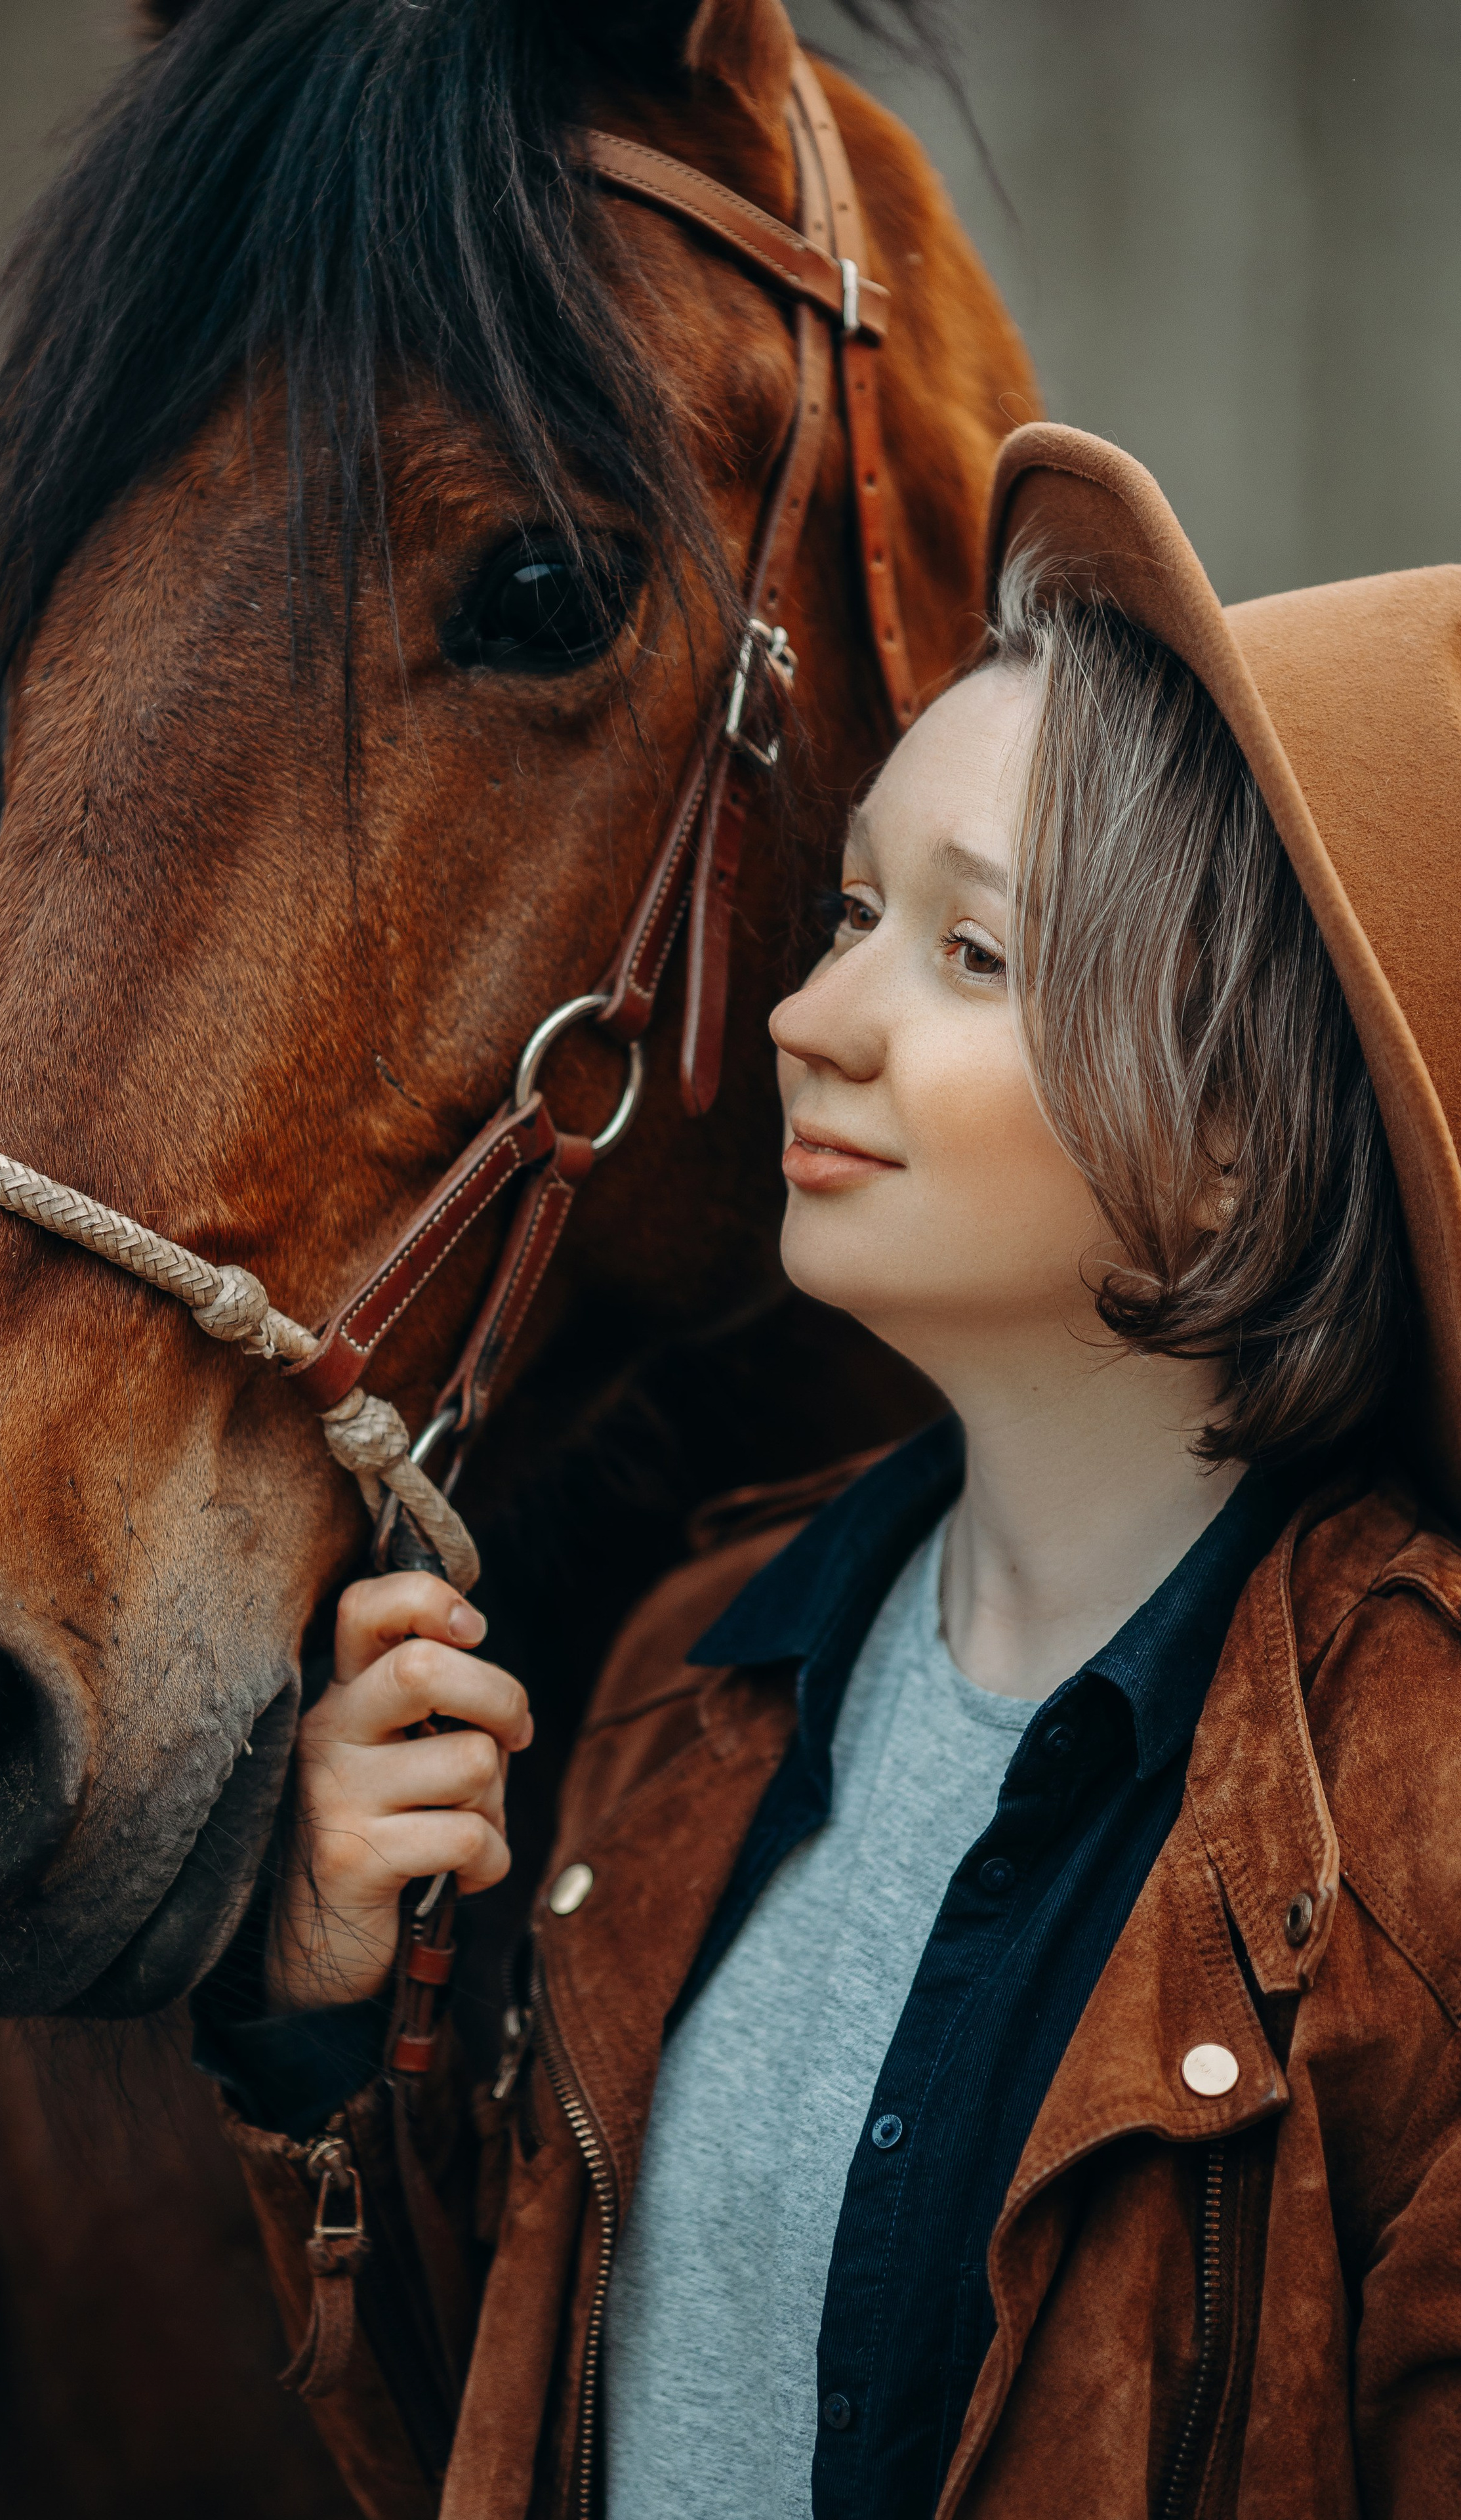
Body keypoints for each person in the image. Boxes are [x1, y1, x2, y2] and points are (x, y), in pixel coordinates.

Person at [196, 426, 1461, 2517]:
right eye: (855, 909)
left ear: (1239, 1134)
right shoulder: (687, 1677)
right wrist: (327, 2020)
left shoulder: (1420, 1795)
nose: (810, 1018)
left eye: (970, 955)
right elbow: (492, 2445)